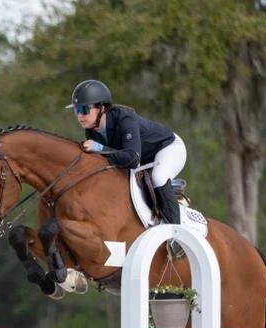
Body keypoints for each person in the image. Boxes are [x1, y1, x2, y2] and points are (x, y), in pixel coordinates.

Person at [67, 79, 187, 224]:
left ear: (102, 108)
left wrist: (100, 148)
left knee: (158, 177)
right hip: (144, 159)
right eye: (76, 110)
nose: (80, 116)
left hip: (168, 148)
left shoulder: (125, 119)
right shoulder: (91, 131)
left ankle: (176, 232)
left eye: (84, 110)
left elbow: (132, 159)